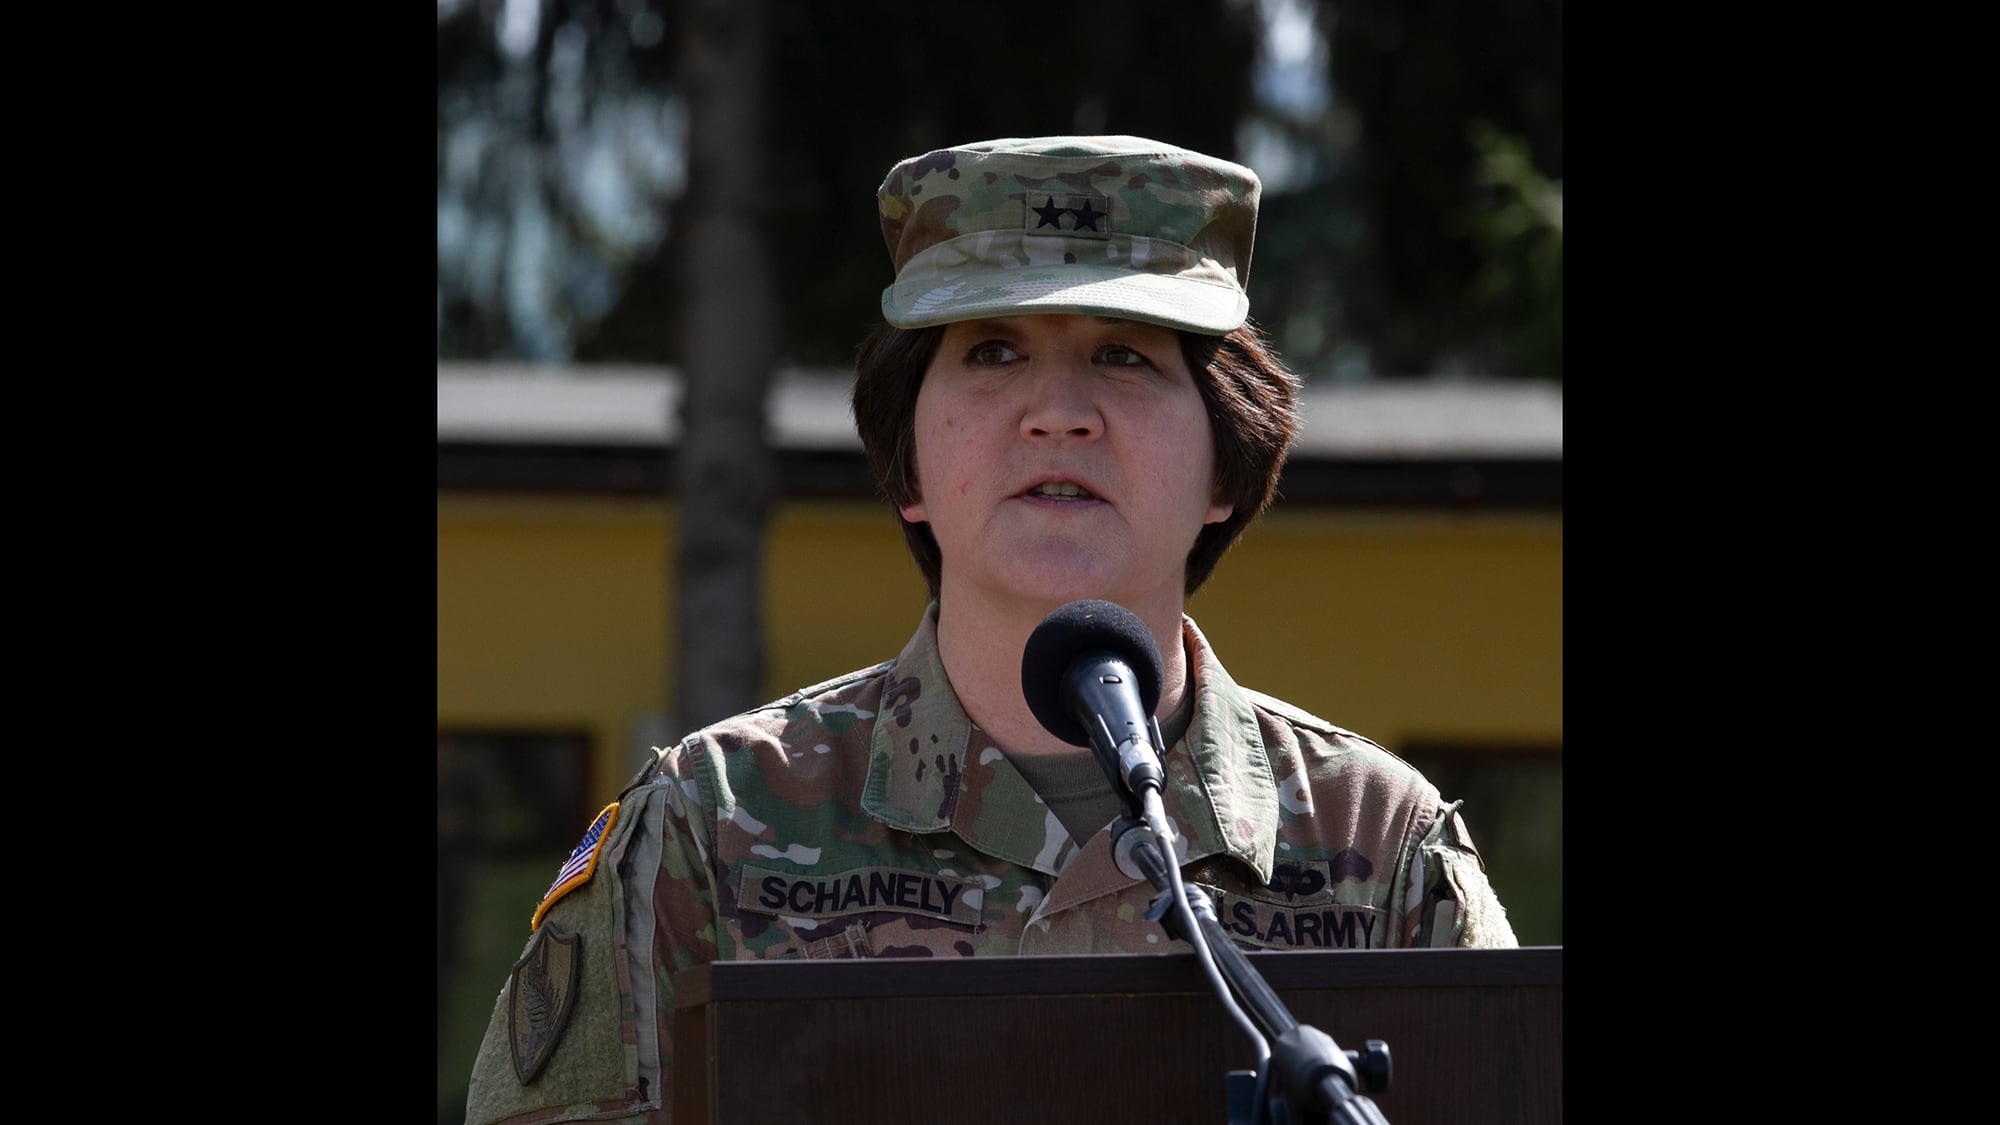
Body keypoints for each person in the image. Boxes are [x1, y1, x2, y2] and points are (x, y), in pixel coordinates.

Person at [463, 134, 1516, 1123]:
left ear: (1224, 467)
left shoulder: (1377, 846)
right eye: (992, 350)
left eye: (1124, 356)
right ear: (907, 464)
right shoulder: (713, 827)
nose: (1056, 412)